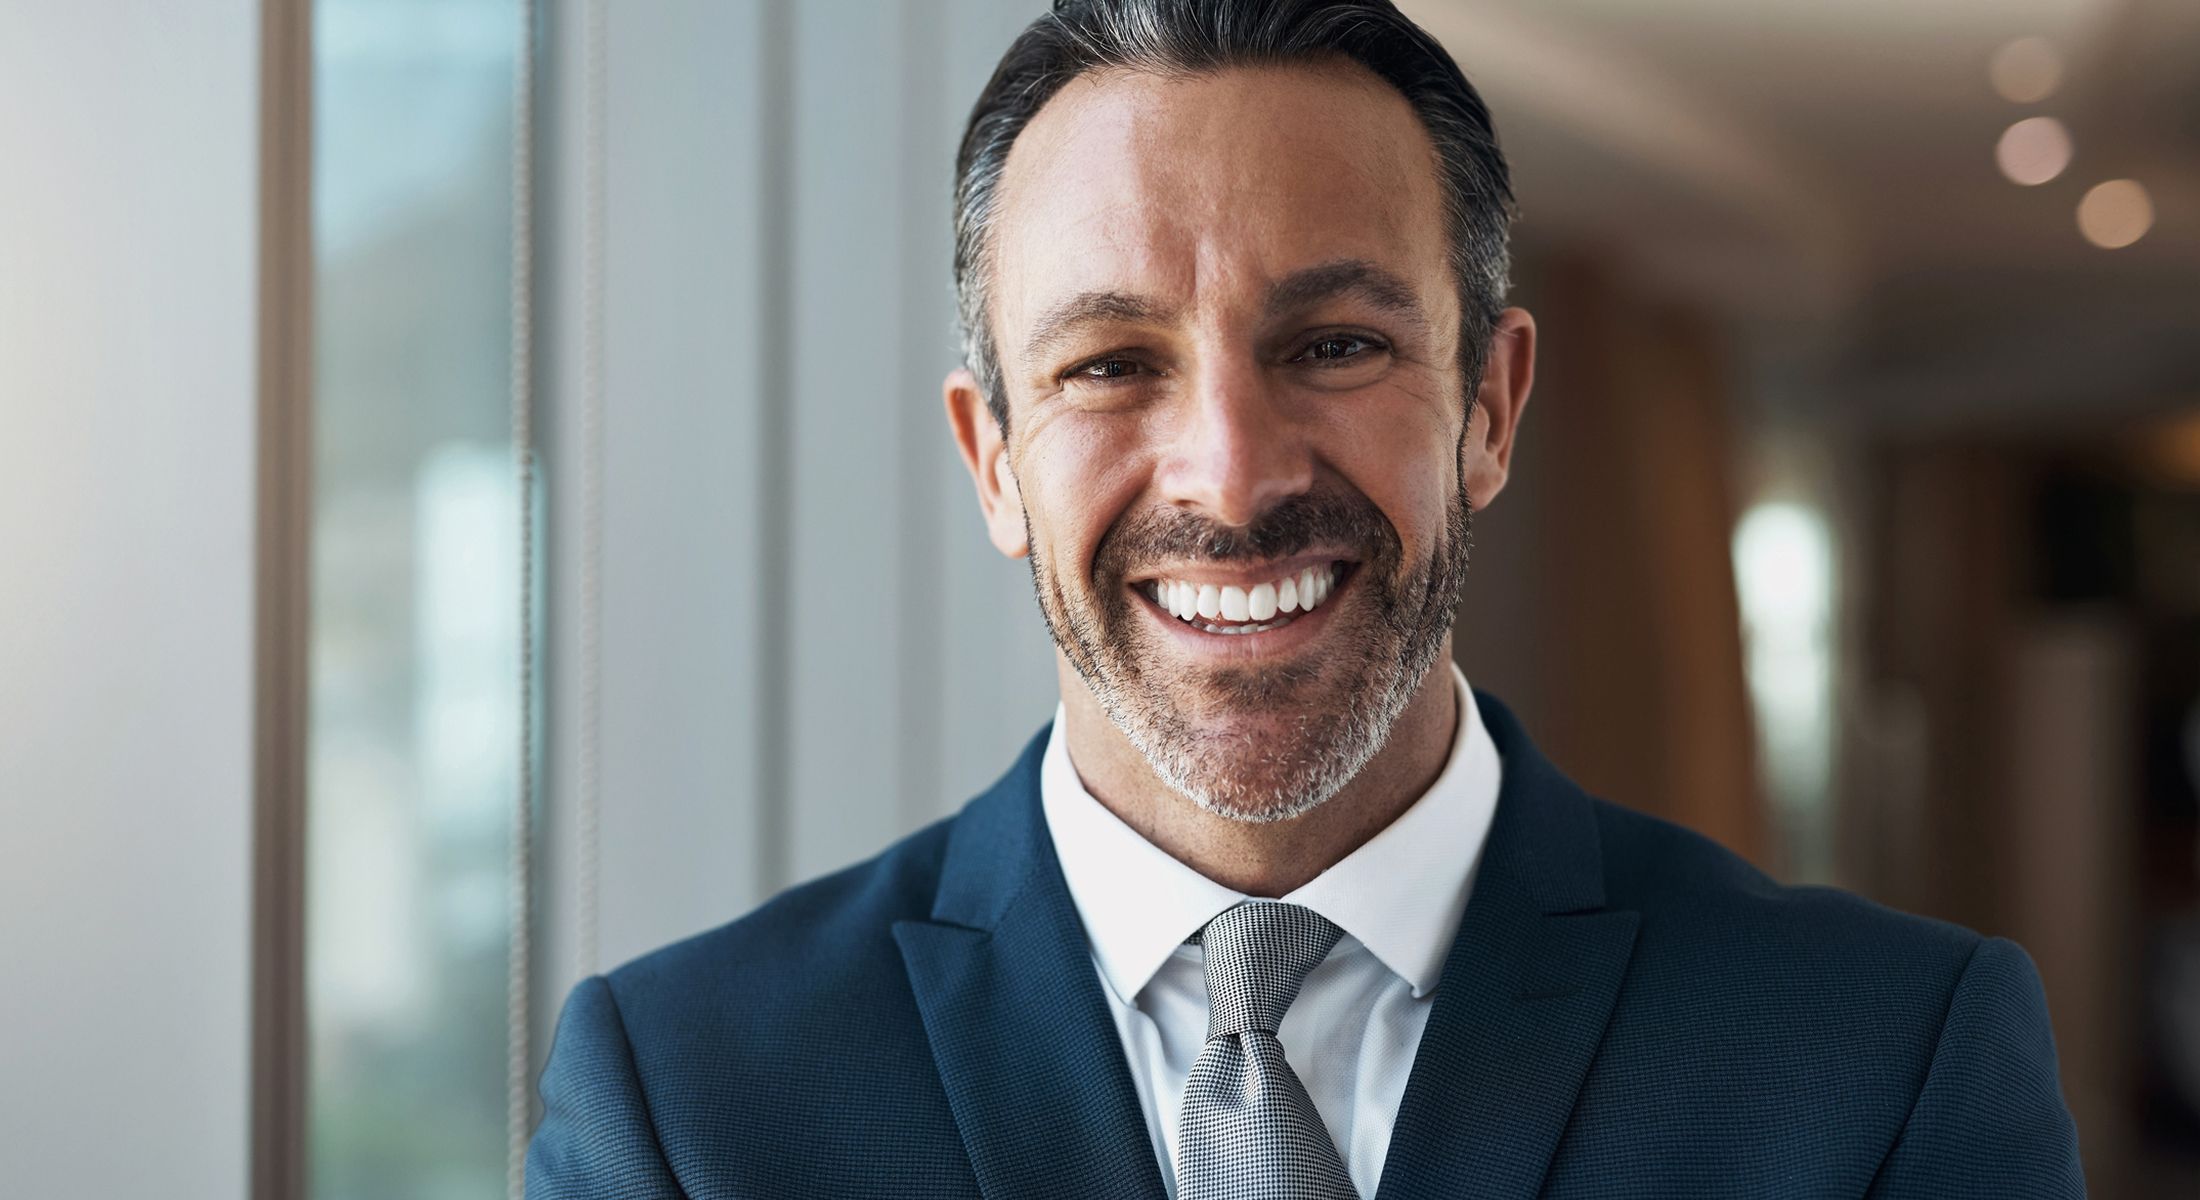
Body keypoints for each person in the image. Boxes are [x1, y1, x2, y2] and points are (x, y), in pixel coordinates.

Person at [526, 1, 2085, 1195]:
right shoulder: (687, 1103)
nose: (1230, 476)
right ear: (992, 458)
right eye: (1111, 365)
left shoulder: (1891, 1067)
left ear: (1490, 405)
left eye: (1335, 345)